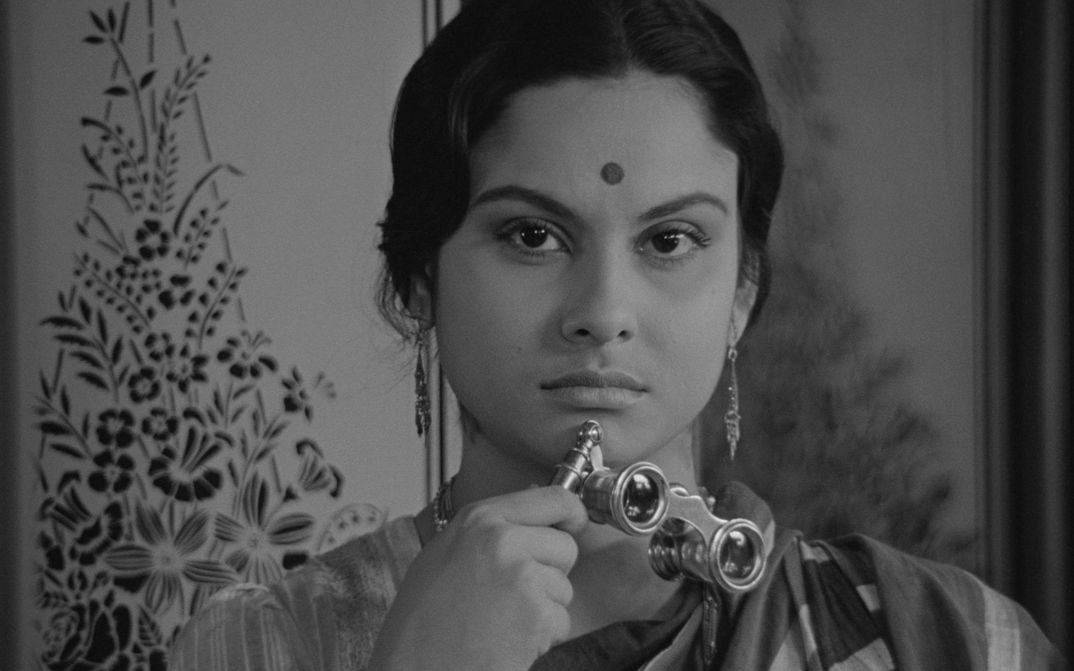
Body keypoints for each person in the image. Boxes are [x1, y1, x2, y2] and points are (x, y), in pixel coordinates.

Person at [170, 0, 1064, 668]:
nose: (603, 309)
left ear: (743, 290)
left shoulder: (951, 641)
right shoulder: (260, 645)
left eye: (669, 240)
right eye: (532, 235)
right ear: (420, 279)